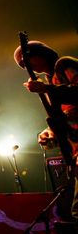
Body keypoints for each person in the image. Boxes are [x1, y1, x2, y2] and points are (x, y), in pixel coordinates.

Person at [14, 40, 78, 220]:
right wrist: (50, 132)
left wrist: (46, 88)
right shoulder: (51, 81)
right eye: (22, 65)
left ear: (39, 53)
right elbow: (67, 115)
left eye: (25, 61)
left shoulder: (64, 64)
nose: (26, 67)